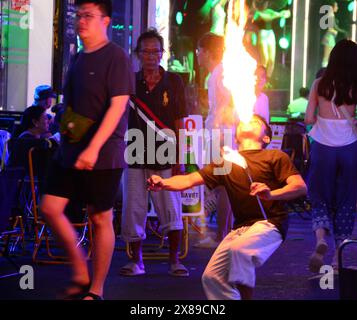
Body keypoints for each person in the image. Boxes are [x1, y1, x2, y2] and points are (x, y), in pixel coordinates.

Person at [148, 114, 307, 300]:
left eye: (257, 122)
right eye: (247, 120)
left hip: (270, 223)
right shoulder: (226, 162)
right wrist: (163, 182)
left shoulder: (274, 156)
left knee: (240, 251)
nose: (249, 122)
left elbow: (300, 187)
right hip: (240, 229)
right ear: (236, 135)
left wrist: (271, 194)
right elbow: (190, 179)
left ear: (266, 138)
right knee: (212, 277)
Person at [39, 0, 135, 300]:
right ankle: (81, 270)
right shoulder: (79, 57)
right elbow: (72, 103)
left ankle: (96, 288)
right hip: (70, 148)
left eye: (89, 16)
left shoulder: (116, 57)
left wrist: (93, 148)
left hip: (104, 153)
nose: (81, 21)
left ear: (105, 21)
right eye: (79, 15)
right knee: (50, 208)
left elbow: (118, 106)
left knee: (99, 218)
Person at [120, 29, 189, 277]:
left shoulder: (175, 82)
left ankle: (174, 261)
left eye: (155, 51)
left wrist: (180, 157)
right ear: (138, 54)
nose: (150, 56)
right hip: (134, 152)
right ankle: (136, 261)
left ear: (162, 54)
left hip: (165, 152)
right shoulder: (130, 80)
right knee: (134, 207)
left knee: (170, 207)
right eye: (145, 51)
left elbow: (180, 121)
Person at [305, 39, 357, 273]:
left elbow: (308, 119)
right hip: (349, 149)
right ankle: (338, 260)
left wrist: (322, 124)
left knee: (319, 196)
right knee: (346, 201)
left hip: (323, 148)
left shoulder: (319, 84)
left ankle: (320, 241)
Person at [195, 32, 234, 248]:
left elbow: (229, 105)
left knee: (221, 186)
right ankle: (221, 233)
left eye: (199, 51)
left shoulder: (219, 74)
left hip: (220, 135)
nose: (197, 55)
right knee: (220, 186)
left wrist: (220, 130)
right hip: (219, 133)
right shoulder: (217, 74)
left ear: (208, 52)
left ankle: (221, 235)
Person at [252, 0, 291, 82]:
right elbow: (266, 17)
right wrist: (279, 15)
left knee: (271, 60)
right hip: (262, 34)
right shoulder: (257, 13)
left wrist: (284, 13)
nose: (267, 4)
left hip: (270, 34)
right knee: (265, 59)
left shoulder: (269, 11)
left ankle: (268, 79)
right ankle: (261, 79)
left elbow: (282, 14)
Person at [321, 1, 347, 68]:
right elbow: (330, 29)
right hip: (329, 38)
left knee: (329, 58)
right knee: (326, 57)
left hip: (331, 38)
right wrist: (335, 32)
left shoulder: (331, 15)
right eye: (336, 6)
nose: (337, 8)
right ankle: (324, 73)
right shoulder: (330, 15)